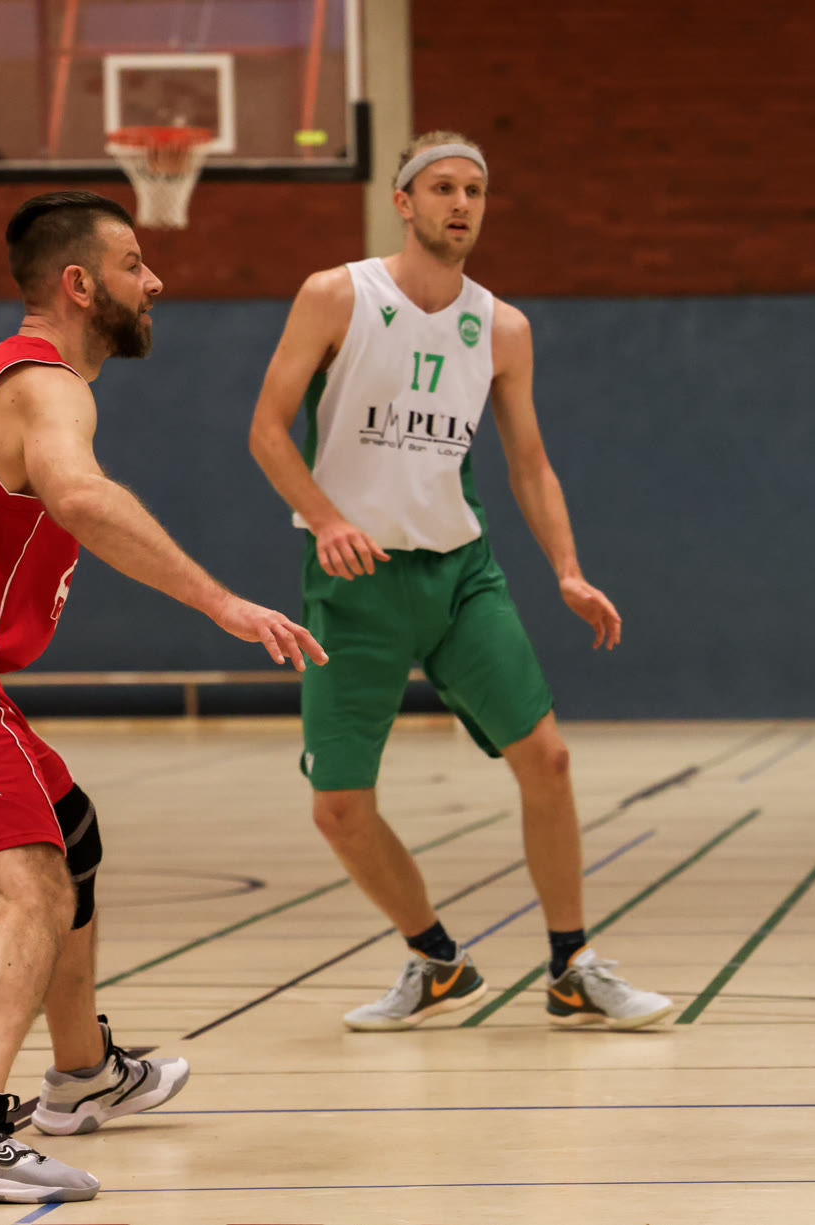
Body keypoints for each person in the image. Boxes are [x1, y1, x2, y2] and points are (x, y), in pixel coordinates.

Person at [0, 191, 324, 1203]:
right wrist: (222, 601)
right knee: (29, 888)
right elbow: (82, 495)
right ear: (79, 284)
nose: (155, 282)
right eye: (135, 264)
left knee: (70, 830)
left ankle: (84, 1073)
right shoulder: (42, 382)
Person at [246, 130, 671, 1032]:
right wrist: (326, 518)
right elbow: (268, 431)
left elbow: (529, 463)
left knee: (548, 758)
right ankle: (435, 959)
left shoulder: (503, 326)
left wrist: (567, 569)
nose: (462, 204)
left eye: (475, 190)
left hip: (460, 577)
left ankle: (572, 964)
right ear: (403, 202)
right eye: (443, 187)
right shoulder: (336, 295)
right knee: (340, 809)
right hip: (354, 586)